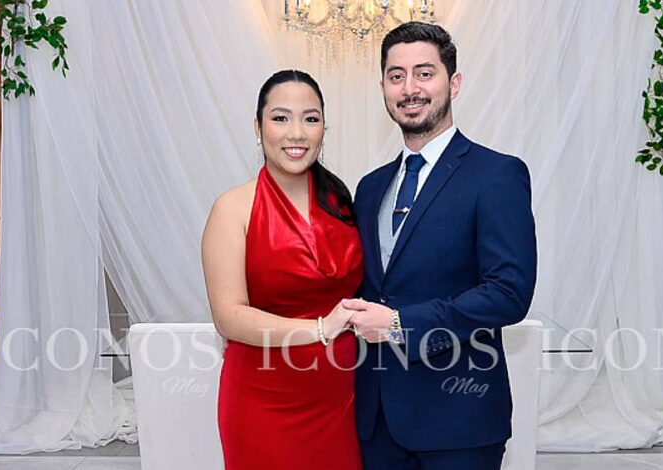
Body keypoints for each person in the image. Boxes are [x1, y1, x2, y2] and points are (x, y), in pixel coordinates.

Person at [342, 22, 538, 469]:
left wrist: (398, 325)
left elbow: (509, 293)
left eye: (424, 73)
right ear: (384, 88)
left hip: (460, 419)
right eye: (396, 76)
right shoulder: (370, 188)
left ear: (454, 82)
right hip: (377, 421)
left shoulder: (497, 175)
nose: (410, 88)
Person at [201, 69, 363, 469]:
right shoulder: (232, 208)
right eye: (280, 118)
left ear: (324, 128)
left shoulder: (343, 202)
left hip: (342, 397)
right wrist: (322, 329)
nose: (297, 133)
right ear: (258, 128)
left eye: (310, 118)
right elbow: (229, 316)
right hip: (263, 399)